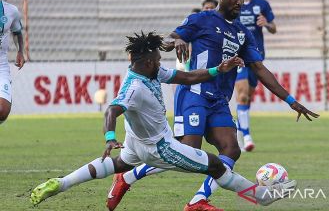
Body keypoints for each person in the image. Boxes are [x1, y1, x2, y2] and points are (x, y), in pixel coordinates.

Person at [106, 0, 318, 211]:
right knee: (189, 152)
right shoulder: (202, 19)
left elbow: (259, 68)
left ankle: (198, 201)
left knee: (231, 149)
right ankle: (127, 177)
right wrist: (175, 41)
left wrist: (291, 100)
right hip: (194, 94)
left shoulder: (242, 33)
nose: (240, 1)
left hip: (219, 101)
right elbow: (170, 38)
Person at [30, 31, 297, 208]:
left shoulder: (150, 72)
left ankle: (61, 183)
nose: (161, 62)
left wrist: (219, 69)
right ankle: (261, 197)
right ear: (147, 62)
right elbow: (111, 110)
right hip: (158, 147)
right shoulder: (133, 88)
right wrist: (110, 137)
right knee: (215, 164)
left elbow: (188, 77)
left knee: (119, 164)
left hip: (136, 143)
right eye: (158, 59)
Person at [235, 0, 277, 152]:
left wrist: (266, 23)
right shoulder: (233, 4)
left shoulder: (262, 4)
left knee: (247, 97)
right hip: (238, 57)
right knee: (242, 94)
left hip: (256, 57)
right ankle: (247, 136)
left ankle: (239, 128)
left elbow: (274, 28)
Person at [0, 0, 25, 124]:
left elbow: (17, 32)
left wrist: (20, 51)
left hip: (1, 67)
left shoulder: (11, 11)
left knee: (3, 111)